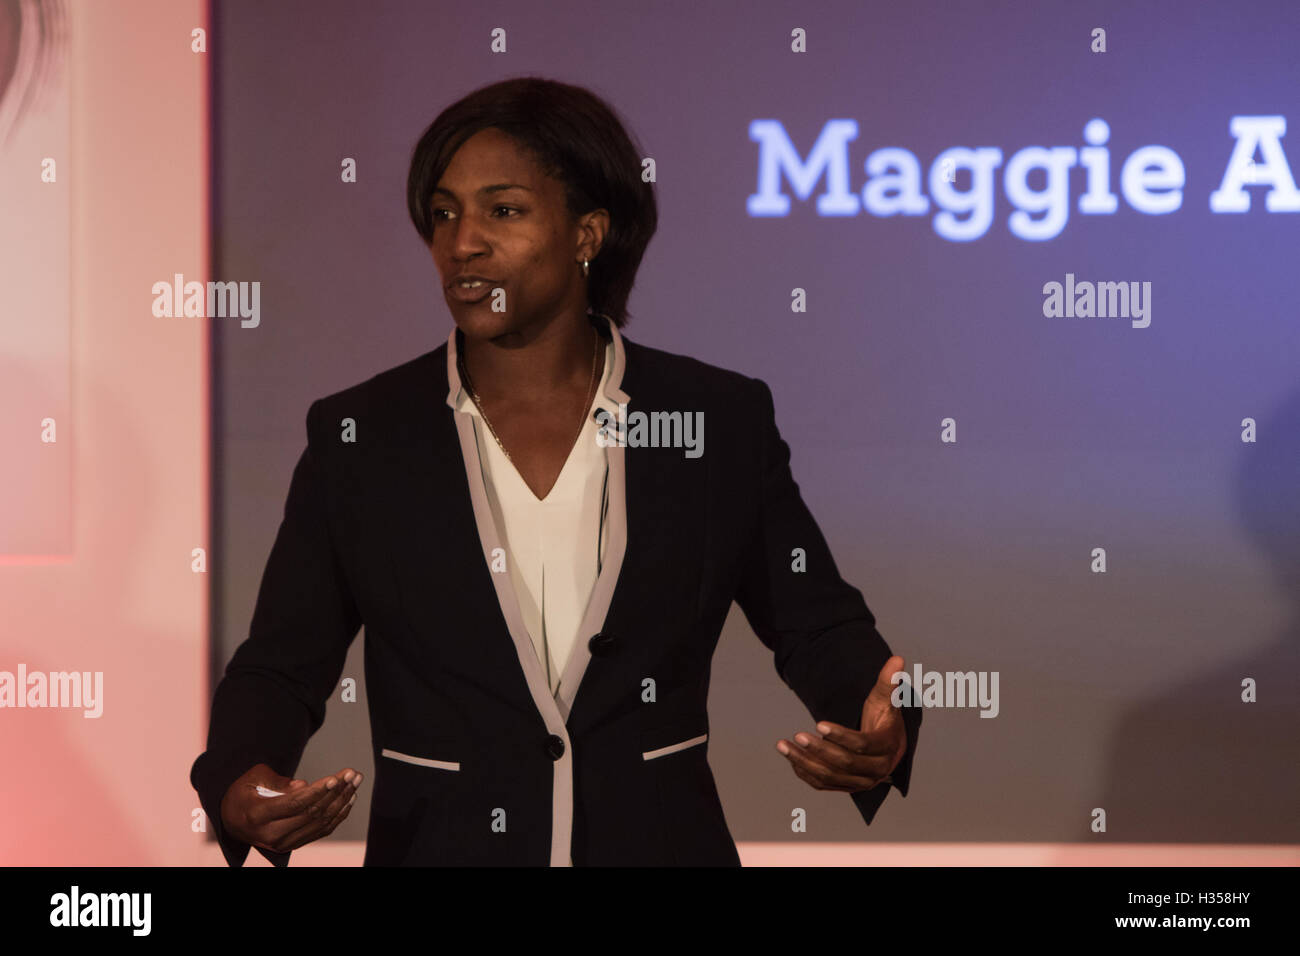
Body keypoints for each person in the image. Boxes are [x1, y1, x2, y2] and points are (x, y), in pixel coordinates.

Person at [190, 76, 921, 867]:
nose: (462, 241)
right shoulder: (362, 436)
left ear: (588, 233)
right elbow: (280, 664)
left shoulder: (715, 420)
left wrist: (882, 722)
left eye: (502, 211)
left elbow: (819, 627)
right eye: (444, 213)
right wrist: (239, 780)